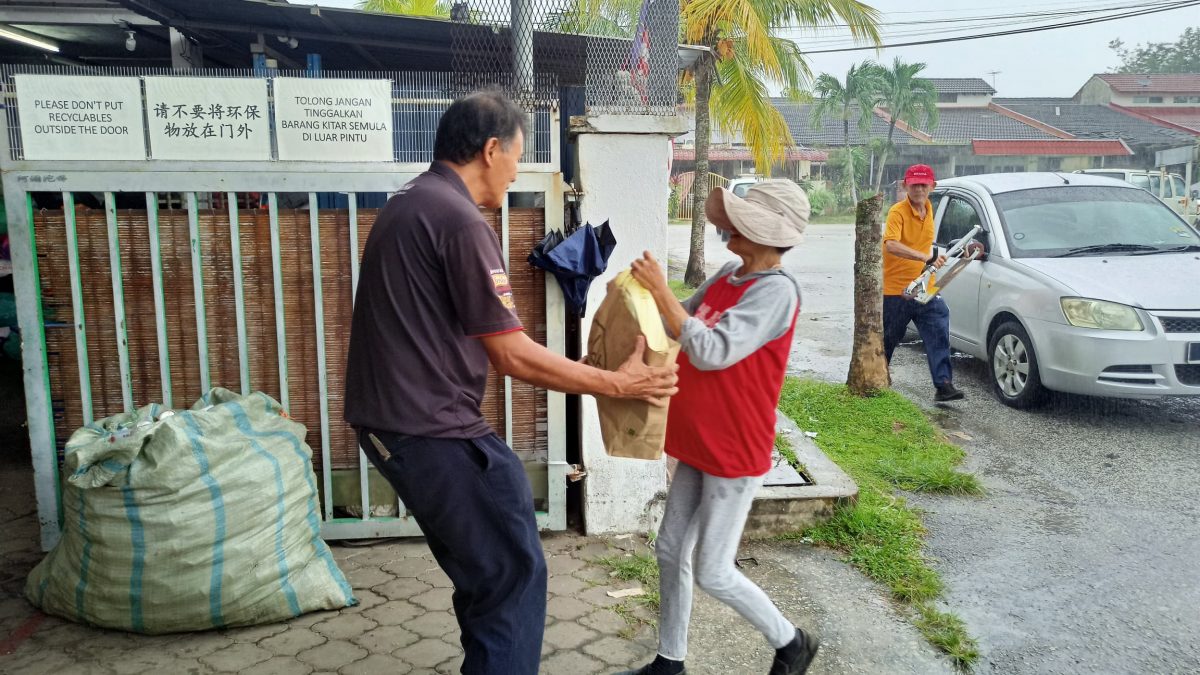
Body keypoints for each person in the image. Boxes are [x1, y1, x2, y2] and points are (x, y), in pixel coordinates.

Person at [343, 88, 678, 675]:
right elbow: (512, 354)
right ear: (491, 149)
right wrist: (614, 384)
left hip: (394, 427)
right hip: (433, 431)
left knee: (488, 576)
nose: (518, 170)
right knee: (511, 579)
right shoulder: (457, 219)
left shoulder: (409, 203)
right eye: (518, 156)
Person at [618, 180, 819, 675]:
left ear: (766, 236)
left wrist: (663, 294)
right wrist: (639, 316)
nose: (727, 227)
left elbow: (711, 351)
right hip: (700, 443)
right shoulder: (731, 274)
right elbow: (682, 321)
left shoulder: (776, 293)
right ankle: (670, 661)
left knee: (712, 569)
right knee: (669, 550)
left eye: (741, 222)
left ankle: (791, 641)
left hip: (734, 451)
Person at [882, 164, 964, 402]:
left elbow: (926, 247)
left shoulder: (929, 210)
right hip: (895, 288)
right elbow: (891, 244)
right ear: (905, 185)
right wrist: (925, 257)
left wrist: (931, 262)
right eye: (914, 184)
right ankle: (876, 378)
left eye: (923, 184)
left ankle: (943, 384)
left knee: (938, 323)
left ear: (932, 186)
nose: (919, 189)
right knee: (889, 338)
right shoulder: (898, 212)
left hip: (921, 285)